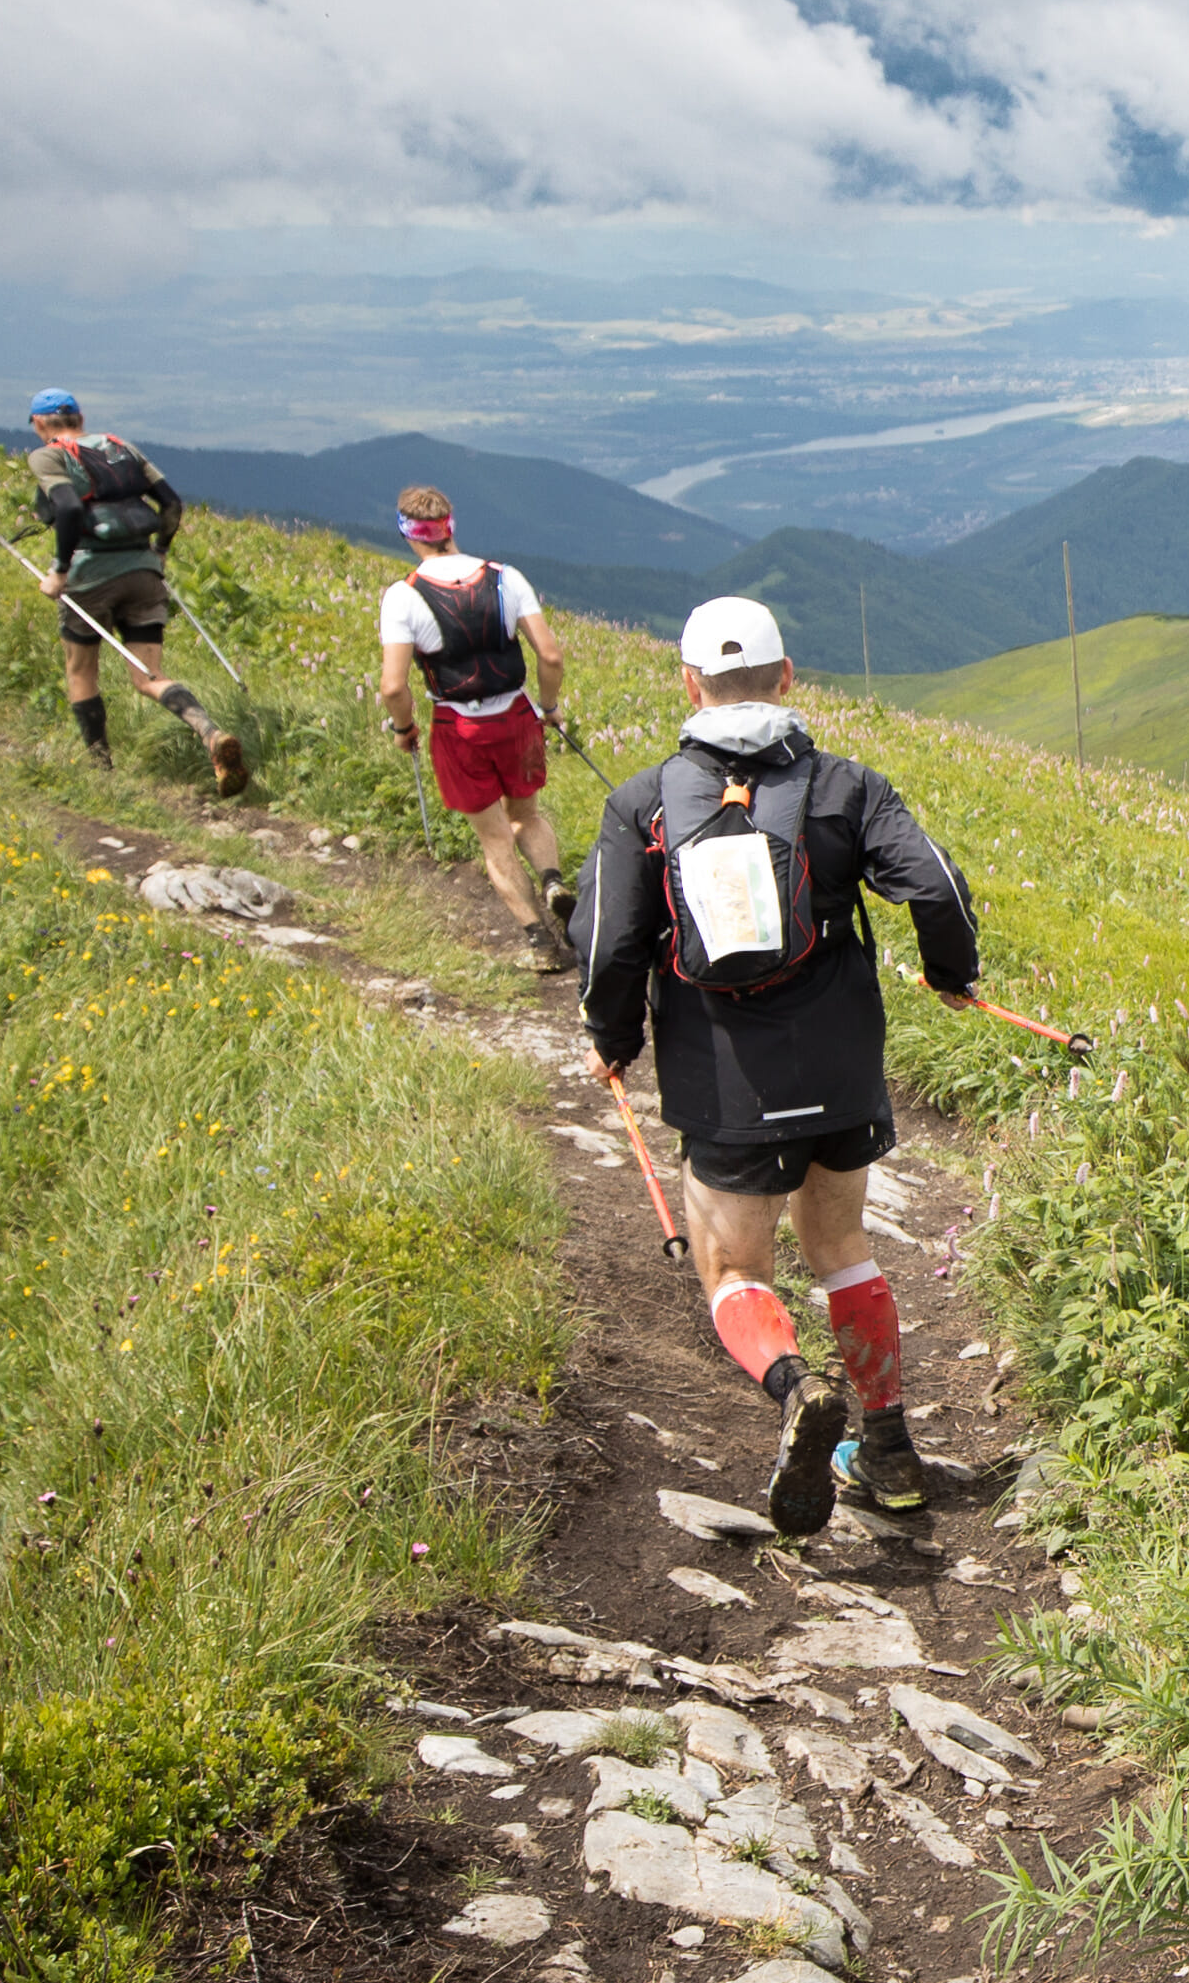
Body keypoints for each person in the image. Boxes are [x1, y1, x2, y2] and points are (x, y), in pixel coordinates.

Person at [581, 595, 981, 1534]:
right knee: (841, 1246)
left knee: (732, 1267)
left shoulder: (642, 802)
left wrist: (612, 1038)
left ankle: (797, 1388)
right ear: (788, 676)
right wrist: (949, 972)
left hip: (723, 1080)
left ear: (688, 683)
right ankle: (887, 1446)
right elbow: (935, 883)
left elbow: (608, 944)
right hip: (840, 1063)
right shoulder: (847, 786)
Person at [376, 486, 575, 970]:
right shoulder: (507, 579)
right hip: (518, 718)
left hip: (459, 727)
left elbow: (392, 686)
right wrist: (549, 707)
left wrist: (404, 729)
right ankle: (552, 880)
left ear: (408, 533)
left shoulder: (403, 597)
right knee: (526, 813)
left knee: (494, 838)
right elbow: (549, 654)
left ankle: (540, 943)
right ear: (451, 525)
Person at [23, 391, 248, 794]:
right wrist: (159, 553)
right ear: (81, 416)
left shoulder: (47, 456)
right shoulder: (122, 447)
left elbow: (70, 509)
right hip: (144, 573)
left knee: (81, 671)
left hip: (90, 575)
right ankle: (210, 734)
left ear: (40, 424)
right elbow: (172, 504)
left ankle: (99, 768)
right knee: (149, 676)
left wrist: (58, 573)